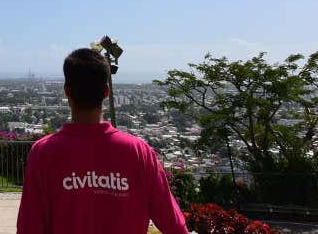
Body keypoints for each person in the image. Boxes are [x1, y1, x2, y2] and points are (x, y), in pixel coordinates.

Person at [16, 48, 189, 234]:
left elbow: (29, 227)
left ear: (66, 91)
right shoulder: (138, 152)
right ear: (106, 92)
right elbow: (174, 226)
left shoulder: (43, 153)